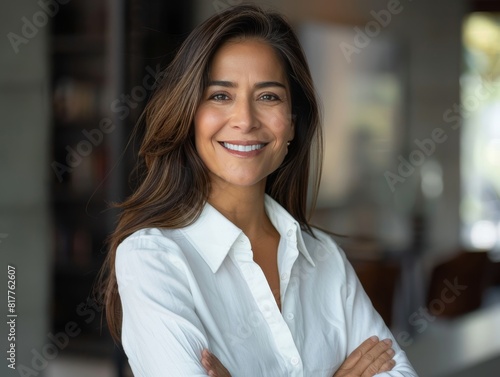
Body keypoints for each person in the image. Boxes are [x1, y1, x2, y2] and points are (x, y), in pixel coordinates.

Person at [99, 4, 418, 377]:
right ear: (189, 115)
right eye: (220, 95)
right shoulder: (153, 258)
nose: (246, 120)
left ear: (293, 123)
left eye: (268, 97)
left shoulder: (324, 258)